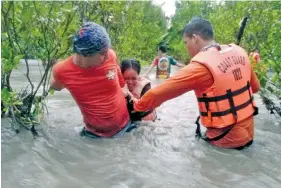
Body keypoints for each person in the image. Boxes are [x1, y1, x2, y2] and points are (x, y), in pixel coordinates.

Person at [133, 17, 260, 149]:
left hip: (223, 141)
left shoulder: (200, 67)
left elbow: (157, 94)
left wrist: (136, 105)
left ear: (195, 38)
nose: (186, 47)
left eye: (186, 42)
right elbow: (255, 88)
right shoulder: (240, 52)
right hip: (249, 135)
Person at [50, 22, 135, 138]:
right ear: (85, 54)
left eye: (107, 51)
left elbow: (119, 77)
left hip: (127, 126)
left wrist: (126, 89)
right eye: (103, 53)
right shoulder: (62, 71)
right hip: (95, 135)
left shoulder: (111, 56)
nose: (107, 56)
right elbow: (55, 86)